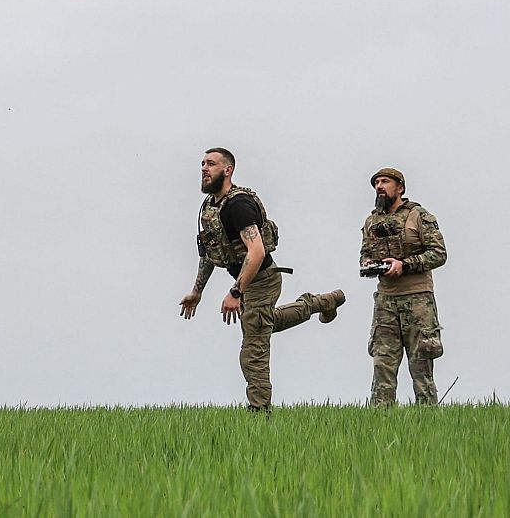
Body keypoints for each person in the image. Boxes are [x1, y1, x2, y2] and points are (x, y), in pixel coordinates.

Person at [179, 147, 345, 411]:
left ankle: (260, 414)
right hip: (248, 281)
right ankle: (321, 302)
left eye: (210, 164)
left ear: (227, 170)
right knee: (266, 323)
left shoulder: (238, 206)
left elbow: (256, 252)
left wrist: (235, 292)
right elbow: (211, 252)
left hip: (262, 279)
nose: (203, 168)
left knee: (252, 352)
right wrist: (197, 291)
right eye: (202, 163)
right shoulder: (210, 206)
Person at [360, 167, 447, 406]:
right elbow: (364, 252)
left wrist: (404, 265)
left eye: (385, 181)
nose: (379, 186)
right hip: (386, 302)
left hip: (418, 300)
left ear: (400, 187)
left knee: (421, 366)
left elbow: (439, 254)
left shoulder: (419, 216)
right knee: (382, 365)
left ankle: (428, 422)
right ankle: (382, 422)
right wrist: (369, 264)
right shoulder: (371, 221)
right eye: (376, 182)